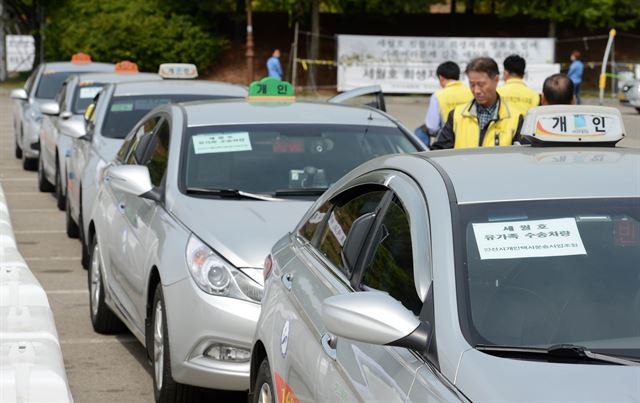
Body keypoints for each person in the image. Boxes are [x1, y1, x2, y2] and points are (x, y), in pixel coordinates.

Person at [431, 57, 524, 150]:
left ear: (496, 80)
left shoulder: (515, 118)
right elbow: (439, 151)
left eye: (481, 84)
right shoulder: (456, 115)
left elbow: (522, 157)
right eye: (472, 84)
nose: (476, 90)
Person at [414, 61, 473, 146]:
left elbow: (432, 127)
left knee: (420, 131)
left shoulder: (438, 95)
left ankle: (423, 155)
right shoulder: (471, 92)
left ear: (441, 78)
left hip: (448, 138)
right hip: (470, 135)